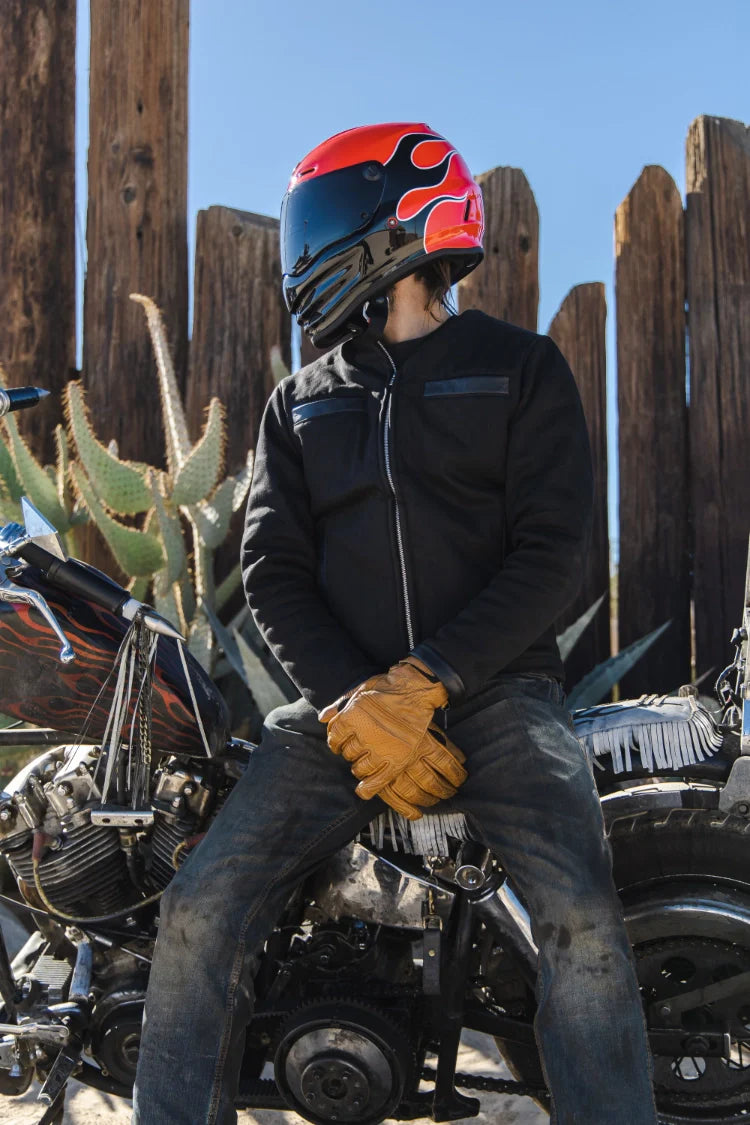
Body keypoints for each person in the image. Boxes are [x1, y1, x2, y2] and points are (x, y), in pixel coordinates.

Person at [133, 122, 657, 1125]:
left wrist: (428, 682)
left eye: (321, 221)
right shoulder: (298, 404)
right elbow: (270, 570)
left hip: (500, 698)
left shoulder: (521, 369)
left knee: (584, 924)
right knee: (200, 908)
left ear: (401, 221)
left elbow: (555, 556)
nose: (304, 252)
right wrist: (353, 699)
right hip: (340, 716)